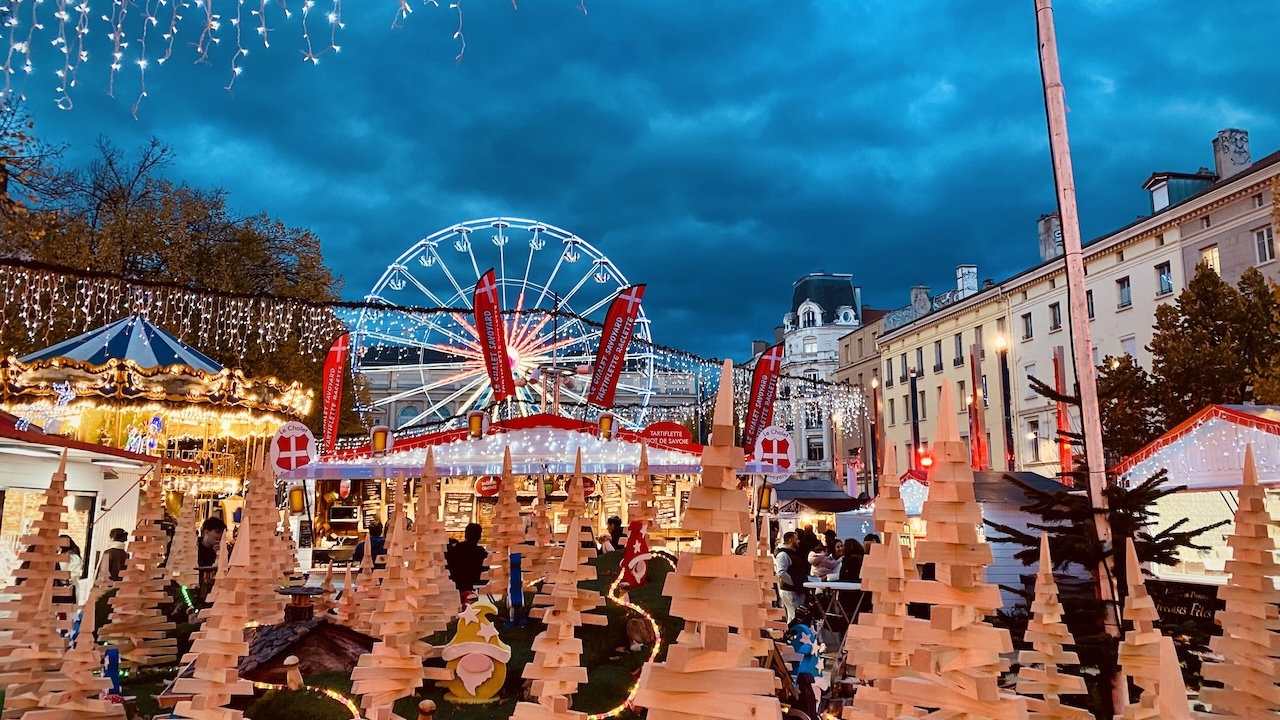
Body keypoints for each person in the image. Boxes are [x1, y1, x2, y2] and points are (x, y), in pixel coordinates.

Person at [445, 523, 489, 604]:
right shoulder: (480, 551)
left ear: (466, 534)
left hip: (457, 580)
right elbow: (486, 568)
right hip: (475, 579)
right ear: (479, 536)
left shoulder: (456, 549)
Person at [774, 531, 808, 622]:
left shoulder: (790, 553)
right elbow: (781, 573)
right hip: (790, 591)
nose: (799, 541)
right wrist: (794, 582)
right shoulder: (783, 555)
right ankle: (795, 635)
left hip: (794, 590)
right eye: (796, 539)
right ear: (790, 540)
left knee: (793, 617)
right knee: (796, 618)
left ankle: (793, 634)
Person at [56, 535, 82, 605]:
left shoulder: (73, 557)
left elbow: (73, 574)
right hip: (60, 586)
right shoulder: (60, 555)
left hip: (68, 587)